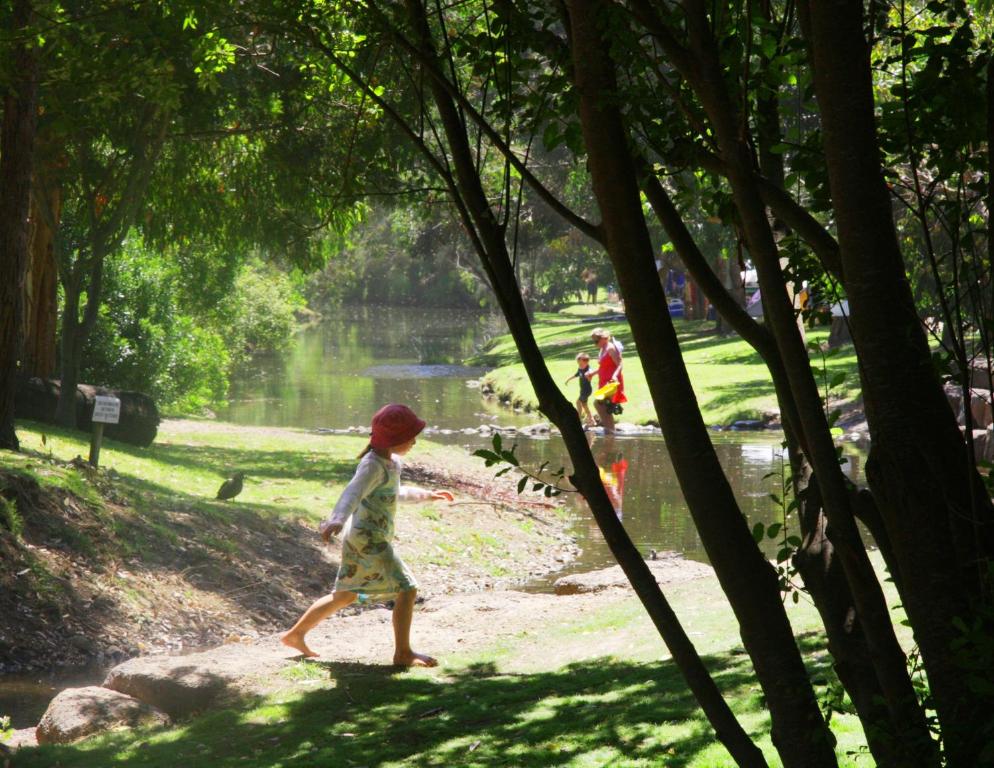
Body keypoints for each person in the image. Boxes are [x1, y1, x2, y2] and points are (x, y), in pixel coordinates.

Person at [281, 404, 453, 667]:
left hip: (366, 538)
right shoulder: (372, 465)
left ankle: (295, 635)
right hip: (369, 539)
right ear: (395, 439)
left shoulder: (391, 463)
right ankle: (403, 653)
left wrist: (427, 496)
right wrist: (336, 520)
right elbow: (353, 492)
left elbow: (392, 494)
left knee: (345, 595)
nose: (414, 441)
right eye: (411, 436)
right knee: (407, 588)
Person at [588, 327, 626, 434]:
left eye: (596, 341)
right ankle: (610, 430)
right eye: (593, 341)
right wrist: (593, 373)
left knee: (599, 403)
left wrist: (614, 375)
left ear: (604, 338)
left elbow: (620, 364)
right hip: (604, 381)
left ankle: (610, 430)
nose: (595, 344)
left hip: (612, 382)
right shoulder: (602, 348)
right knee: (604, 405)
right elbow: (603, 367)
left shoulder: (610, 348)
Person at [563, 352, 596, 427]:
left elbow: (591, 372)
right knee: (584, 405)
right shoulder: (580, 369)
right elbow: (576, 374)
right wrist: (568, 379)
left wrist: (589, 373)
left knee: (578, 402)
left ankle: (579, 419)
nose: (579, 365)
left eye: (580, 364)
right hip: (583, 390)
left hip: (587, 390)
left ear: (586, 362)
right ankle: (592, 420)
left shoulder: (588, 369)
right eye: (578, 364)